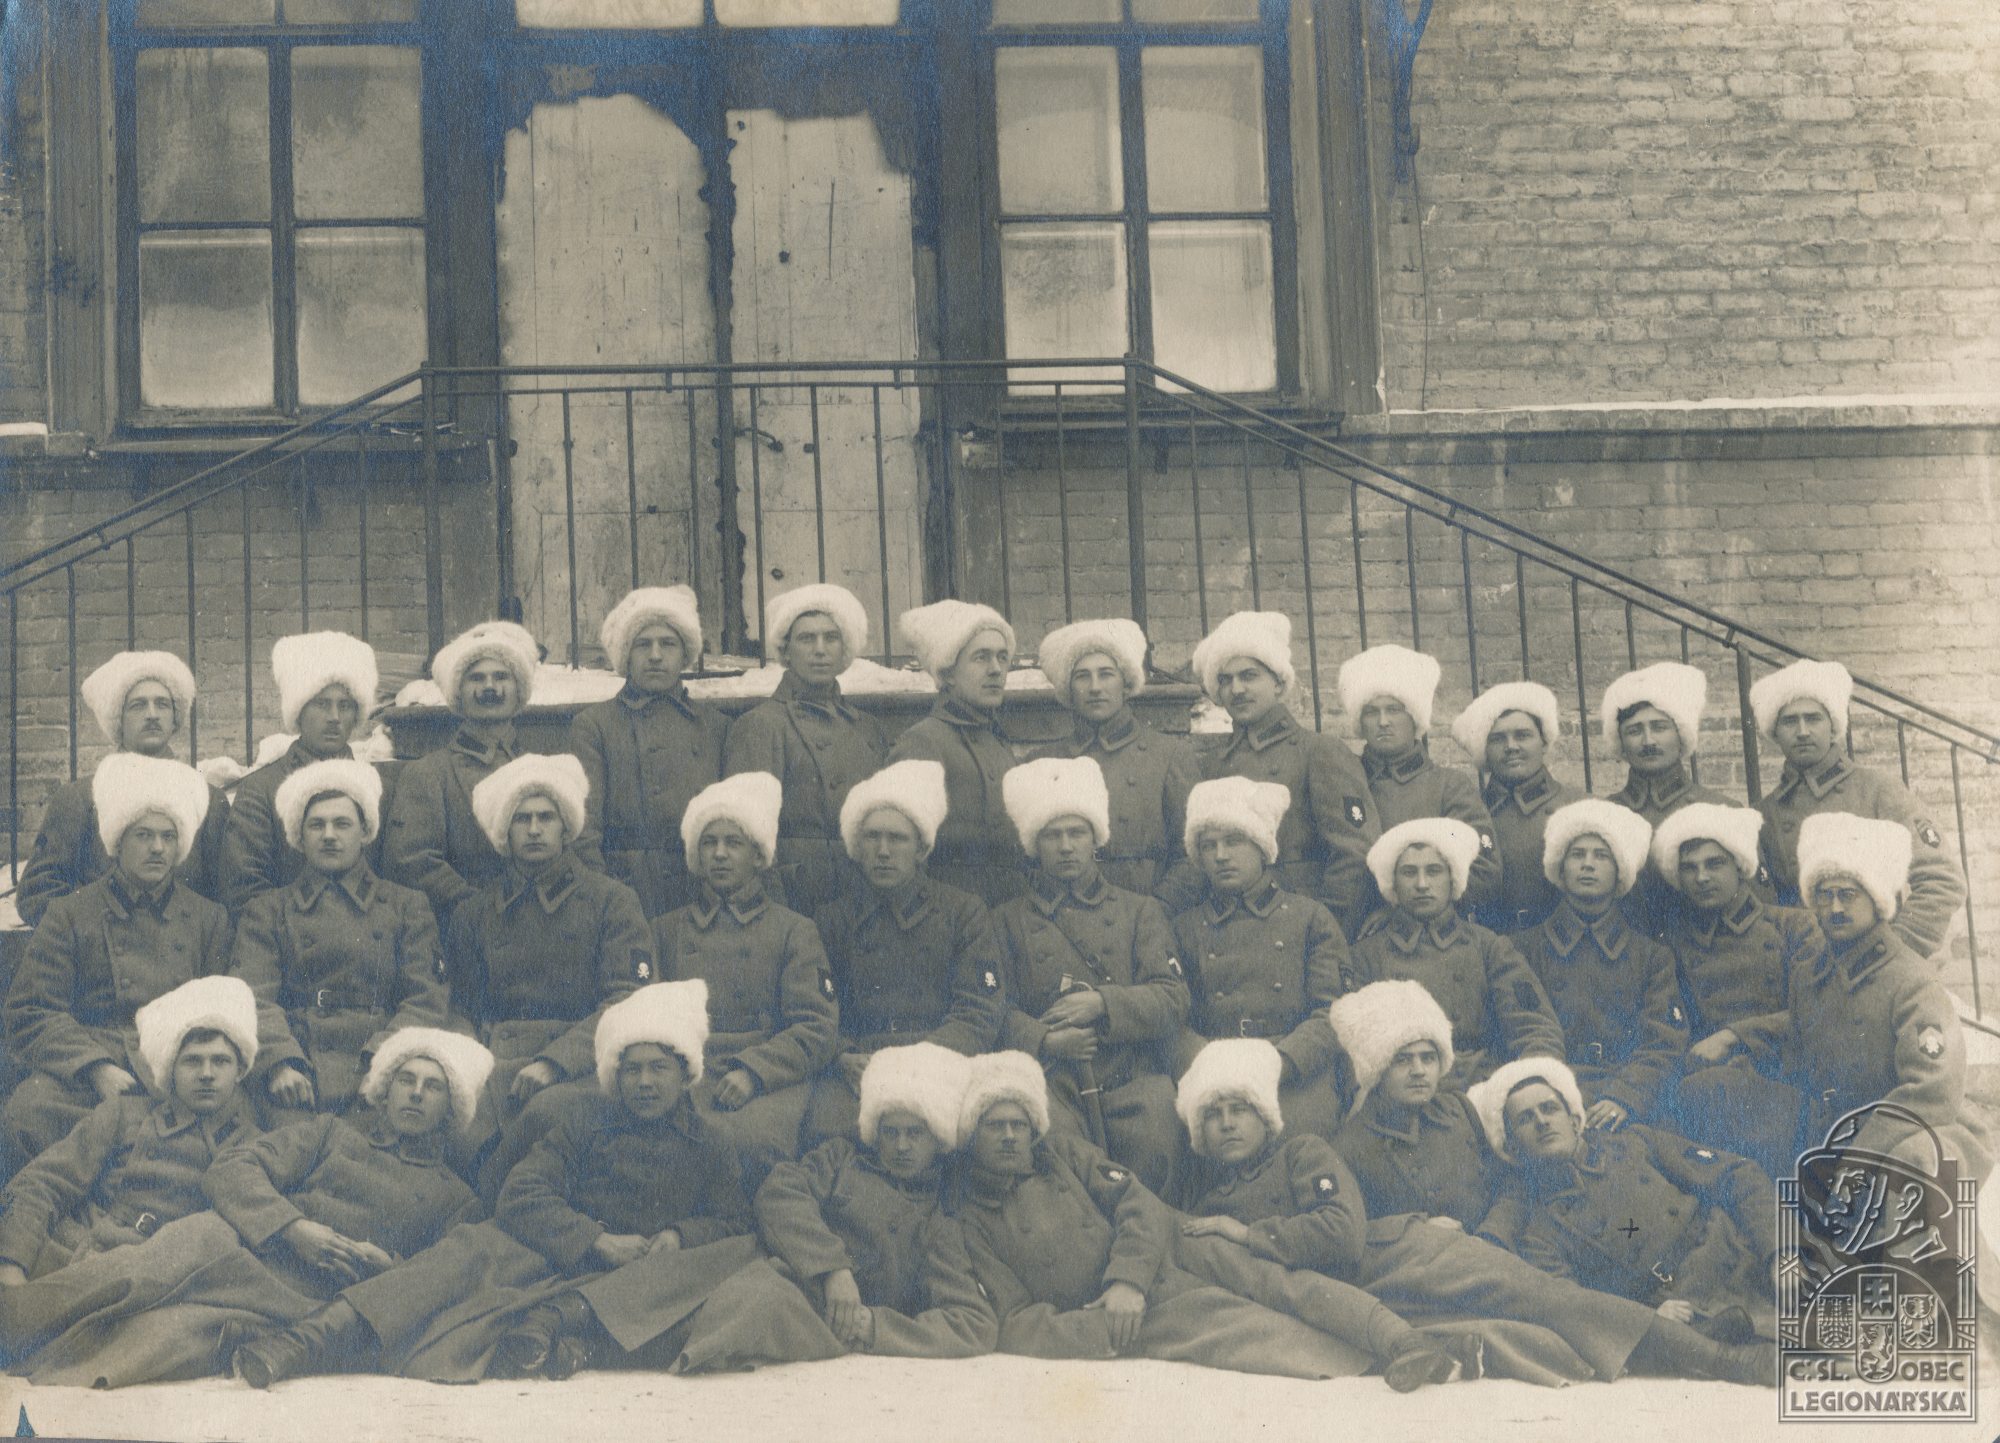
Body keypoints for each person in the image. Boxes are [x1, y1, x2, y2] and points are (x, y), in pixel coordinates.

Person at [226, 981, 757, 1385]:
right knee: (468, 1251)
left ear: (685, 1072)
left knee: (727, 1270)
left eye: (658, 1069)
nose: (643, 1082)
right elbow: (523, 1192)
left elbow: (733, 1218)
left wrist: (680, 1236)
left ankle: (567, 1338)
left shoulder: (711, 1142)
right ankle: (307, 1339)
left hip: (643, 1272)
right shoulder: (583, 1122)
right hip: (558, 1256)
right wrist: (595, 1239)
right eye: (632, 1069)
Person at [7, 1028, 491, 1388]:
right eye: (406, 1080)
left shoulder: (456, 1199)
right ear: (385, 1090)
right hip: (239, 1241)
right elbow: (233, 1168)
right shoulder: (330, 1133)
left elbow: (439, 1281)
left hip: (298, 1298)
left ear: (451, 1107)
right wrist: (294, 1228)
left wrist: (388, 1266)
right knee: (135, 1274)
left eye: (433, 1086)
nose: (416, 1093)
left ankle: (35, 1356)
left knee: (153, 1341)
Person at [953, 1052, 1414, 1381]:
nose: (1010, 1136)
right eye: (995, 1126)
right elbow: (1014, 1320)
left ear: (1034, 1127)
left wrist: (1128, 1278)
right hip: (1121, 1315)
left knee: (1275, 1281)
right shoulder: (970, 1218)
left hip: (1168, 1241)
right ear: (973, 1132)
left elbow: (1135, 1201)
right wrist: (1100, 1327)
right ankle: (1377, 1366)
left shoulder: (1064, 1155)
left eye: (1019, 1124)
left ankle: (1399, 1339)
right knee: (1244, 1331)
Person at [1, 756, 282, 1163]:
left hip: (179, 1068)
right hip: (90, 1064)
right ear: (118, 843)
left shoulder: (208, 918)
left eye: (168, 837)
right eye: (144, 835)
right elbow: (31, 1009)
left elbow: (227, 1006)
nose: (157, 848)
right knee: (28, 1112)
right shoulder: (71, 913)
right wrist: (95, 1067)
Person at [683, 1042, 997, 1368]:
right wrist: (833, 1268)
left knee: (745, 1309)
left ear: (937, 1139)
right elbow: (780, 1192)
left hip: (809, 1318)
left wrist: (873, 1326)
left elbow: (974, 1323)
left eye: (915, 1133)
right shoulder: (840, 1158)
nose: (901, 1146)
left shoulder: (937, 1220)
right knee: (680, 1285)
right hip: (773, 1269)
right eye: (890, 1132)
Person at [0, 978, 263, 1362]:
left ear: (240, 1071)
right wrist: (11, 1265)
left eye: (220, 1061)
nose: (207, 1073)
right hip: (79, 1253)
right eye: (192, 1061)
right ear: (170, 1070)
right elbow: (45, 1182)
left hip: (165, 1283)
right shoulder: (125, 1115)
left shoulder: (253, 1145)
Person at [1730, 812, 1990, 1179]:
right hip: (1838, 1133)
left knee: (1907, 1170)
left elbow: (1931, 1092)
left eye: (1848, 895)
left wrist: (1858, 1157)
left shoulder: (1911, 981)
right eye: (1824, 895)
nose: (1835, 908)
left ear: (1876, 899)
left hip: (1913, 1135)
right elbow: (1800, 1054)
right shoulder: (1811, 974)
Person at [1472, 1056, 1782, 1353]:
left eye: (1549, 1108)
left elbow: (1737, 1174)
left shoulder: (1636, 1142)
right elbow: (1579, 1307)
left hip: (1744, 1252)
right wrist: (1647, 1317)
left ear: (1575, 1120)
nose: (1542, 1122)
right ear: (1512, 1147)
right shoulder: (1540, 1232)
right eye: (1525, 1119)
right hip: (1691, 1307)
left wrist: (1782, 1253)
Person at [990, 756, 1190, 1194]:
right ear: (1034, 845)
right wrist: (1045, 1040)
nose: (1066, 846)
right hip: (1052, 1080)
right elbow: (989, 1008)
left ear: (1095, 838)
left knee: (1159, 1134)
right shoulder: (1006, 921)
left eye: (1077, 833)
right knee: (1057, 1161)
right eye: (1052, 835)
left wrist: (1103, 1003)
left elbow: (1173, 997)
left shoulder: (1140, 911)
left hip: (1131, 1077)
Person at [446, 753, 652, 1166]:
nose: (535, 829)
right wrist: (468, 1066)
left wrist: (555, 1062)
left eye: (546, 817)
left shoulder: (611, 901)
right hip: (494, 1065)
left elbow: (627, 1001)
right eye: (521, 819)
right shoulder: (474, 912)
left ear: (566, 827)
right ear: (504, 831)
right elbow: (461, 1009)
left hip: (580, 1065)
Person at [231, 759, 451, 1115]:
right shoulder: (268, 910)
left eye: (342, 824)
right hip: (299, 1075)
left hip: (380, 1069)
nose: (329, 835)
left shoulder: (406, 905)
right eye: (316, 825)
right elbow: (253, 998)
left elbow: (425, 1000)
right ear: (299, 837)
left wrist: (386, 1063)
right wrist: (280, 1063)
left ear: (365, 832)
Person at [805, 760, 1005, 1144]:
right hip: (860, 1065)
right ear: (856, 848)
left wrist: (924, 1059)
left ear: (921, 849)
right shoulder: (833, 920)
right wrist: (841, 1054)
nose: (883, 851)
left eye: (897, 839)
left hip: (941, 1060)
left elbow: (979, 1010)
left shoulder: (962, 912)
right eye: (872, 838)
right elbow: (817, 1008)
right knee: (829, 1132)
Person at [650, 772, 838, 1182]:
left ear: (758, 856)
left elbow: (817, 1026)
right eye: (709, 843)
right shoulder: (666, 930)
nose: (719, 854)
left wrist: (754, 1072)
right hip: (688, 1074)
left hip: (770, 1078)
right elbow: (646, 1020)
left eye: (733, 843)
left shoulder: (794, 930)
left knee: (750, 1146)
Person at [1750, 659, 1966, 962]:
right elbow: (1764, 911)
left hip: (1875, 968)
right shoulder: (1766, 814)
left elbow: (1941, 879)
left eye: (1813, 718)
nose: (1802, 731)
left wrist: (1894, 952)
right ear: (1775, 731)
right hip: (1807, 971)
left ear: (1833, 726)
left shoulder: (1877, 790)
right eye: (1790, 721)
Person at [1169, 777, 1348, 1142]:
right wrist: (1205, 1061)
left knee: (1303, 1137)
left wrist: (1282, 1062)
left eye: (1234, 841)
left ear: (1262, 846)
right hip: (1213, 1067)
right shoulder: (1183, 928)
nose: (1221, 855)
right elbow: (1170, 1017)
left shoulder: (1309, 918)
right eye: (1208, 845)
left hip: (1291, 1070)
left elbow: (1334, 1012)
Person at [1653, 802, 1819, 1178]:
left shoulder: (1794, 927)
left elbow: (1817, 1009)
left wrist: (1733, 1036)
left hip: (1786, 1074)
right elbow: (1669, 1025)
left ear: (1740, 866)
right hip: (1709, 1085)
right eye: (1690, 868)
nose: (1702, 877)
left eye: (1715, 864)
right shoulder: (1672, 942)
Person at [1191, 611, 1379, 938]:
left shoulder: (1319, 752)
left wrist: (1323, 932)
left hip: (1300, 926)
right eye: (1225, 680)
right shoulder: (1213, 765)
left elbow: (1355, 854)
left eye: (1249, 676)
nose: (1237, 689)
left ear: (1278, 682)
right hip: (1233, 932)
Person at [1342, 818, 1564, 1090]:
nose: (1422, 884)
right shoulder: (1365, 957)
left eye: (1434, 871)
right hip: (1405, 1096)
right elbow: (1354, 1052)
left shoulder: (1488, 948)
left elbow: (1536, 1030)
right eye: (1409, 873)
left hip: (1480, 1090)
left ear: (1453, 879)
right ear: (1393, 883)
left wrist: (1516, 1089)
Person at [15, 650, 229, 928]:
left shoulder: (209, 799)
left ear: (176, 717)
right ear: (119, 718)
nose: (152, 715)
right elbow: (38, 892)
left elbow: (226, 896)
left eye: (162, 704)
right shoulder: (80, 798)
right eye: (138, 705)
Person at [1511, 799, 1686, 1128]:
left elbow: (1663, 1043)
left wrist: (1624, 1097)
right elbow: (1517, 1035)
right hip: (1549, 1105)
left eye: (1601, 856)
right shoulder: (1522, 950)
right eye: (1577, 855)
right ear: (1560, 868)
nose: (1587, 865)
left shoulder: (1651, 957)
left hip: (1625, 1105)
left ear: (1620, 871)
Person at [724, 584, 887, 919]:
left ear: (845, 649)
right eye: (806, 639)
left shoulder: (867, 728)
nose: (820, 650)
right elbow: (748, 833)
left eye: (831, 638)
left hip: (865, 901)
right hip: (798, 903)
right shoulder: (762, 725)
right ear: (786, 651)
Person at [571, 586, 727, 919]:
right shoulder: (594, 726)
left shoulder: (716, 726)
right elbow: (584, 829)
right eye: (643, 644)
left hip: (699, 892)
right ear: (626, 654)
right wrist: (606, 899)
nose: (655, 655)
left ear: (684, 653)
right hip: (626, 891)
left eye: (668, 644)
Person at [1031, 618, 1202, 912]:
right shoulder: (1041, 763)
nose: (1095, 687)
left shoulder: (1169, 756)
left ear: (1126, 683)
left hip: (1148, 912)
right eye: (1082, 677)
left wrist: (1158, 909)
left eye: (1106, 674)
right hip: (1066, 917)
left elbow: (1193, 853)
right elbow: (1027, 861)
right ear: (1068, 690)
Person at [385, 620, 539, 926]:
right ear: (458, 692)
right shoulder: (429, 774)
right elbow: (412, 861)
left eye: (501, 677)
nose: (490, 688)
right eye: (476, 678)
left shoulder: (538, 769)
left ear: (519, 689)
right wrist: (482, 909)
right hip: (465, 926)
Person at [219, 632, 379, 912]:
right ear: (299, 711)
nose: (334, 717)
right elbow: (245, 889)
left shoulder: (376, 787)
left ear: (356, 715)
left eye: (344, 706)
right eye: (321, 704)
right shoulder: (261, 789)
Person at [1328, 980, 1502, 1229]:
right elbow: (1354, 1233)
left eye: (1428, 1058)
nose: (1419, 1071)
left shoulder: (1460, 1110)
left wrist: (1492, 1234)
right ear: (1378, 1070)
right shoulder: (1350, 1147)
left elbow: (1507, 1185)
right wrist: (1417, 1231)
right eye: (1402, 1060)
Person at [1338, 645, 1499, 914]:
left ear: (1415, 717)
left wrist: (1407, 916)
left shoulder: (1449, 787)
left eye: (1394, 709)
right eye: (1371, 712)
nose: (1383, 721)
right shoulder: (1345, 782)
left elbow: (1484, 869)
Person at [885, 599, 1024, 905]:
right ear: (947, 672)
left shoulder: (998, 742)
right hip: (949, 911)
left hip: (1007, 907)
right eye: (981, 657)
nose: (996, 670)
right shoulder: (923, 742)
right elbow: (900, 850)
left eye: (1002, 657)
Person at [1598, 662, 1746, 937]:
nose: (1648, 741)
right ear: (1621, 743)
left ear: (1681, 735)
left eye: (1659, 727)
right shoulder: (1604, 815)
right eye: (1634, 730)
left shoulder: (1722, 810)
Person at [1450, 681, 1583, 934]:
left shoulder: (1578, 806)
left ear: (1543, 742)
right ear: (1484, 750)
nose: (1511, 747)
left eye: (1523, 735)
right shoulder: (1467, 812)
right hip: (1490, 944)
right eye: (1497, 739)